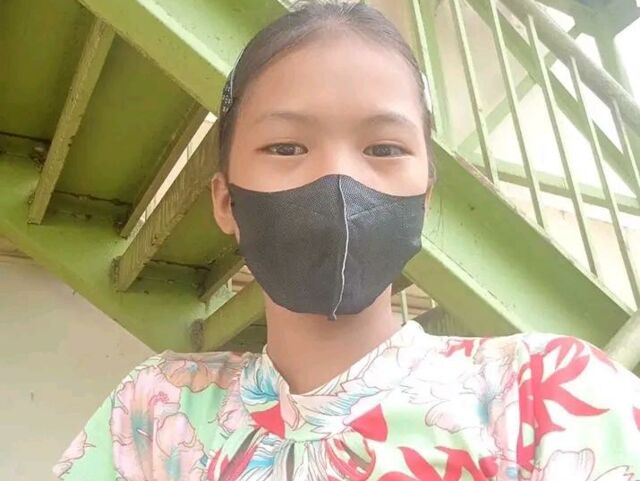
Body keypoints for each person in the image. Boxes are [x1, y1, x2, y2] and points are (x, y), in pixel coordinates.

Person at [52, 1, 640, 480]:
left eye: (384, 148)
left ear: (424, 198)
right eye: (286, 147)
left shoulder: (547, 397)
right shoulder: (156, 411)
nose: (338, 178)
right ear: (227, 202)